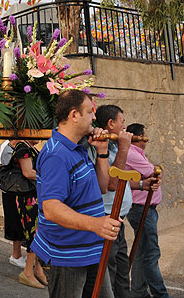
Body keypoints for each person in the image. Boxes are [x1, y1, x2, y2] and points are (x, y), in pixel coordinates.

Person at [31, 89, 121, 298]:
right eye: (89, 112)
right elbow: (52, 209)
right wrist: (96, 224)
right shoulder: (57, 155)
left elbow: (101, 187)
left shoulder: (76, 148)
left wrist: (102, 151)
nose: (95, 117)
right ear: (74, 115)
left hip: (90, 249)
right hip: (69, 253)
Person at [94, 105, 147, 298]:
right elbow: (112, 184)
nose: (124, 127)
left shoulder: (115, 144)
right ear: (111, 123)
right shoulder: (103, 146)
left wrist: (142, 184)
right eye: (122, 122)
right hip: (107, 217)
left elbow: (123, 179)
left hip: (119, 218)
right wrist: (125, 147)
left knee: (123, 270)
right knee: (111, 270)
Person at [124, 123, 170, 298]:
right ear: (138, 137)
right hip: (141, 208)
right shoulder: (131, 153)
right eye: (144, 136)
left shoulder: (136, 154)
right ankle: (161, 294)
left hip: (145, 208)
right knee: (151, 253)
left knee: (140, 251)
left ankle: (138, 291)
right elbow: (154, 172)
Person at [11, 139, 47, 289]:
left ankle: (37, 268)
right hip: (28, 198)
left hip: (34, 196)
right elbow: (27, 172)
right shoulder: (22, 147)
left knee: (39, 231)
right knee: (34, 233)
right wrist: (49, 177)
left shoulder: (29, 146)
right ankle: (27, 272)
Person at [0, 139, 26, 269]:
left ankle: (19, 254)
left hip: (19, 189)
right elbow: (3, 166)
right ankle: (16, 255)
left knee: (20, 222)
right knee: (15, 221)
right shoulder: (9, 146)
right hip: (13, 190)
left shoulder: (25, 146)